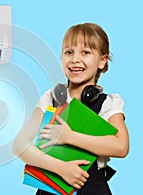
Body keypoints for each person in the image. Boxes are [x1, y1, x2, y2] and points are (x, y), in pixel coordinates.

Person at [12, 23, 129, 194]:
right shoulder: (50, 98)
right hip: (51, 186)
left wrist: (68, 137)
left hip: (92, 188)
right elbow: (19, 145)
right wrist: (61, 168)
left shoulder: (109, 103)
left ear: (102, 61)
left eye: (85, 52)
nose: (75, 59)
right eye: (68, 52)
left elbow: (121, 146)